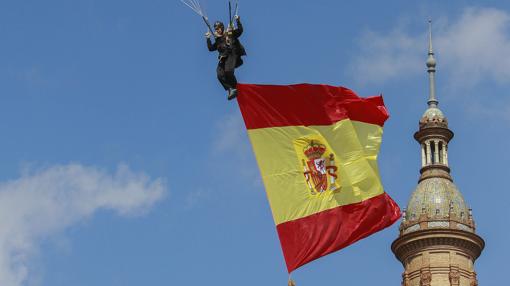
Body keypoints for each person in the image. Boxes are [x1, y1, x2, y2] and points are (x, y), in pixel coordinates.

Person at [205, 15, 246, 100]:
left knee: (228, 71)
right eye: (216, 29)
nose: (217, 30)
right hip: (223, 59)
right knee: (219, 75)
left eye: (219, 28)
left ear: (222, 28)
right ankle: (230, 89)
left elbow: (240, 31)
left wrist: (238, 21)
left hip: (232, 55)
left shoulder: (229, 33)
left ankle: (235, 87)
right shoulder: (218, 41)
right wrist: (208, 39)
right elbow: (210, 48)